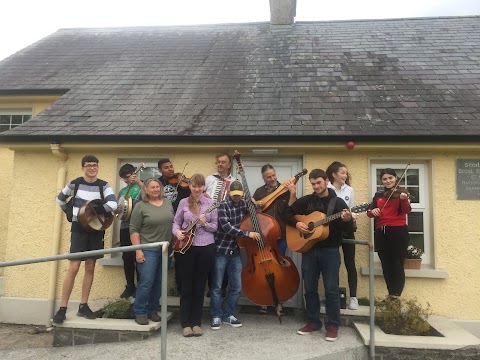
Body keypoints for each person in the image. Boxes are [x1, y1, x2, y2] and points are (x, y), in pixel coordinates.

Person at [284, 169, 353, 342]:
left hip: (330, 251)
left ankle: (332, 325)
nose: (316, 187)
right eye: (313, 184)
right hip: (309, 249)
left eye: (318, 183)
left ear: (326, 181)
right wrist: (297, 223)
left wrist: (347, 220)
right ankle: (313, 322)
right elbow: (286, 213)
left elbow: (350, 230)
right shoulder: (306, 201)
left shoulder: (337, 203)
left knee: (331, 289)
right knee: (310, 289)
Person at [53, 155, 118, 324]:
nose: (92, 168)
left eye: (95, 165)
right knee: (73, 267)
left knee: (90, 266)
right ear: (83, 167)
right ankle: (62, 308)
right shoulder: (75, 183)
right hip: (78, 230)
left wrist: (95, 210)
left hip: (96, 230)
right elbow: (60, 199)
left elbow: (113, 204)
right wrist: (71, 212)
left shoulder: (104, 186)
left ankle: (83, 305)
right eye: (89, 165)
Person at [210, 180, 260, 330]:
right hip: (221, 250)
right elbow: (227, 228)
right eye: (234, 195)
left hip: (235, 250)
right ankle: (216, 315)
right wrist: (248, 234)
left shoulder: (244, 204)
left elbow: (255, 216)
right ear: (230, 194)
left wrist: (253, 204)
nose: (236, 197)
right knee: (217, 286)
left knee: (237, 286)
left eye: (239, 195)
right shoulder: (223, 205)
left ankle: (228, 314)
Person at [173, 174, 218, 337]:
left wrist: (205, 223)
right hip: (186, 248)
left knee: (200, 286)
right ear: (190, 187)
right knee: (186, 286)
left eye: (200, 186)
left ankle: (196, 323)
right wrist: (177, 232)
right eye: (194, 186)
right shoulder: (183, 202)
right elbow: (176, 223)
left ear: (204, 187)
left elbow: (215, 227)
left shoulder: (211, 204)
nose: (197, 189)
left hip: (205, 247)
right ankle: (185, 323)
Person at [252, 164, 297, 314]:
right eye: (268, 177)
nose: (272, 178)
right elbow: (253, 214)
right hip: (264, 238)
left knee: (280, 270)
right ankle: (264, 300)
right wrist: (253, 203)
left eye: (273, 175)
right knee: (263, 270)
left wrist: (292, 193)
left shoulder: (284, 189)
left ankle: (280, 301)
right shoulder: (259, 192)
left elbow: (291, 209)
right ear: (263, 178)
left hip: (281, 236)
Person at [129, 178, 174, 325]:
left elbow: (173, 224)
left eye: (157, 187)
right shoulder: (140, 206)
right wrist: (138, 251)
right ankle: (140, 311)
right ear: (146, 190)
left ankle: (152, 310)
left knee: (159, 282)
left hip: (165, 249)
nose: (155, 189)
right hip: (148, 249)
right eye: (152, 187)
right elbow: (134, 230)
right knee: (147, 281)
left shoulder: (168, 203)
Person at [367, 168, 411, 298]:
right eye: (385, 179)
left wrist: (403, 200)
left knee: (397, 264)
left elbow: (407, 210)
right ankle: (391, 293)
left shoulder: (402, 194)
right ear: (381, 181)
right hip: (381, 232)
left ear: (395, 179)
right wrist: (373, 211)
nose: (388, 181)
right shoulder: (378, 196)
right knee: (386, 265)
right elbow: (369, 212)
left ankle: (396, 296)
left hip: (398, 232)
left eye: (390, 178)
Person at [326, 161, 359, 310]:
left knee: (350, 263)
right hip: (331, 232)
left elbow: (351, 209)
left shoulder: (349, 190)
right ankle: (333, 296)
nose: (345, 175)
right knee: (333, 264)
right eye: (342, 173)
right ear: (334, 174)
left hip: (346, 230)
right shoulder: (326, 189)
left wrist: (353, 216)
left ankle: (353, 298)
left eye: (346, 173)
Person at [157, 158, 191, 293]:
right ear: (160, 170)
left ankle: (180, 285)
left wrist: (188, 183)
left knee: (179, 254)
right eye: (166, 167)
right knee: (162, 253)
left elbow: (192, 195)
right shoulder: (158, 183)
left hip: (180, 223)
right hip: (164, 222)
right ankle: (159, 287)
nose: (170, 169)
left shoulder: (182, 182)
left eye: (171, 166)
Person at [205, 152, 235, 296]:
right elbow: (198, 194)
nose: (220, 164)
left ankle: (222, 288)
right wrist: (204, 195)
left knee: (224, 257)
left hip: (225, 223)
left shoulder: (234, 181)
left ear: (229, 165)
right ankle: (211, 288)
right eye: (218, 162)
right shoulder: (210, 179)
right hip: (210, 222)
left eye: (223, 162)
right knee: (211, 256)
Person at [118, 164, 143, 299]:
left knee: (139, 257)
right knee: (127, 257)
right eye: (124, 178)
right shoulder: (122, 192)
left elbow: (149, 195)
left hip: (139, 227)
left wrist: (139, 182)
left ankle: (140, 286)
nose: (126, 180)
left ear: (134, 173)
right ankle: (130, 286)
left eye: (128, 177)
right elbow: (119, 211)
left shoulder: (142, 186)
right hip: (125, 227)